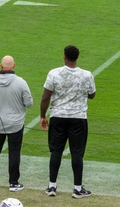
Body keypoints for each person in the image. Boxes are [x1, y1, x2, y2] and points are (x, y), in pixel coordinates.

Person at [40, 44, 96, 198]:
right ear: (77, 57)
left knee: (56, 151)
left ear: (64, 56)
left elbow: (46, 97)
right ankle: (77, 188)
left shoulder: (54, 73)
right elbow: (92, 95)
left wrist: (43, 116)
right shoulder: (86, 75)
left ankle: (52, 186)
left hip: (58, 116)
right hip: (78, 117)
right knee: (77, 153)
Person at [0, 55, 33, 192]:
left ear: (1, 65)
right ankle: (13, 183)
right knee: (14, 152)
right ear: (14, 66)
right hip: (16, 123)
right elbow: (29, 103)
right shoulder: (21, 82)